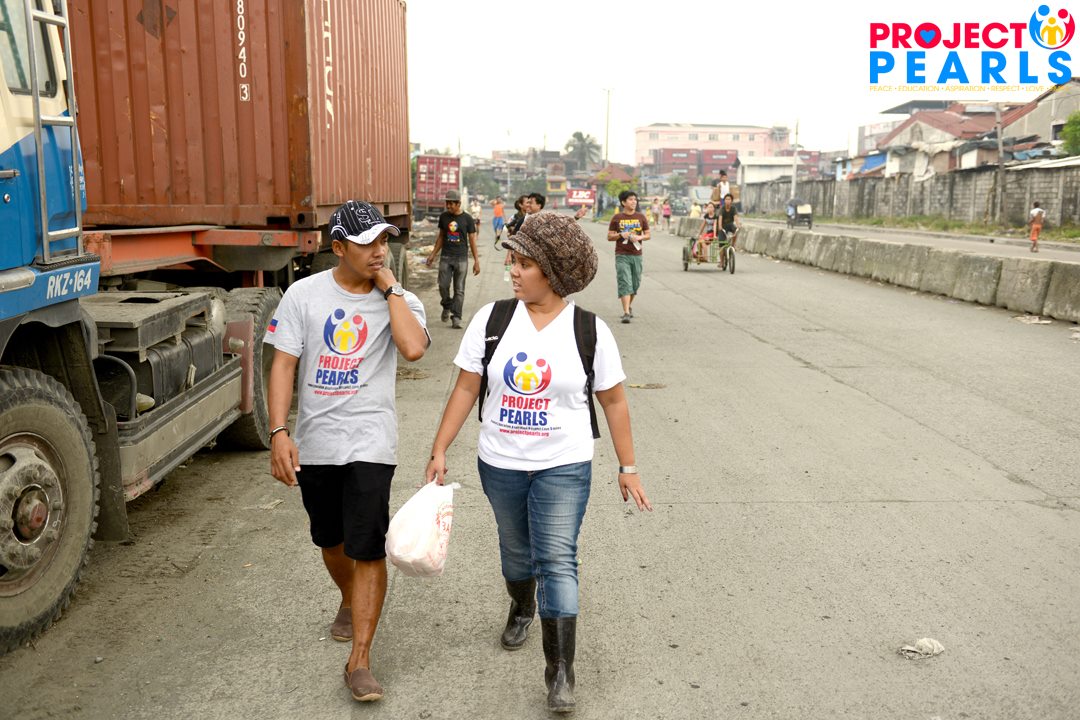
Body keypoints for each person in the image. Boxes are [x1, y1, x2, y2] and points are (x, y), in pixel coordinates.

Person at [424, 212, 652, 713]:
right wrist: (439, 448)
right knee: (515, 552)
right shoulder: (493, 320)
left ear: (552, 272)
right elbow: (466, 387)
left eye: (524, 264)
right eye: (514, 261)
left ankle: (560, 670)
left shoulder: (590, 331)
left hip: (564, 463)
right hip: (500, 461)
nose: (513, 270)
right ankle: (522, 604)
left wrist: (628, 467)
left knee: (557, 559)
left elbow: (614, 401)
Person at [266, 200, 430, 704]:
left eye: (383, 241)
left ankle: (360, 659)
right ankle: (347, 596)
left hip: (371, 441)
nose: (379, 251)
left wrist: (390, 288)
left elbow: (413, 349)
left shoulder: (400, 298)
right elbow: (283, 364)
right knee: (330, 540)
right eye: (366, 243)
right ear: (338, 247)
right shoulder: (303, 295)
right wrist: (278, 432)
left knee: (368, 546)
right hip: (318, 441)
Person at [427, 189, 480, 329]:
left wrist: (476, 261)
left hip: (461, 258)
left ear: (458, 204)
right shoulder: (443, 217)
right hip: (446, 257)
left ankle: (456, 317)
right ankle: (447, 305)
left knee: (459, 290)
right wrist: (433, 254)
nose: (448, 206)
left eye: (451, 203)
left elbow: (472, 240)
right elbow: (441, 237)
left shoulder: (467, 219)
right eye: (447, 203)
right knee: (442, 285)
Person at [607, 190, 650, 324]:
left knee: (635, 284)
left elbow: (648, 234)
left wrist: (639, 237)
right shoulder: (617, 218)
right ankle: (626, 312)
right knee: (625, 282)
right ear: (623, 202)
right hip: (622, 255)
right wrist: (621, 235)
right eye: (631, 199)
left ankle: (628, 306)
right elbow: (609, 236)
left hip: (637, 255)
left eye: (635, 199)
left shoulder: (641, 217)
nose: (634, 202)